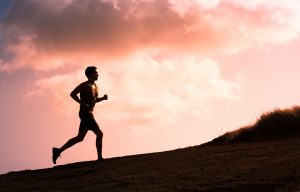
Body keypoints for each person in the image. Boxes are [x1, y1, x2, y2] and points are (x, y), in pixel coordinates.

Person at [52, 66, 108, 164]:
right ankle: (100, 158)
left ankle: (58, 151)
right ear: (90, 74)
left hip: (89, 113)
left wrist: (102, 98)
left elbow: (94, 100)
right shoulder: (84, 85)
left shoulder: (95, 86)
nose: (97, 74)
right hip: (85, 114)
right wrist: (81, 103)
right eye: (95, 73)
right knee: (100, 133)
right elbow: (72, 94)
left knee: (80, 138)